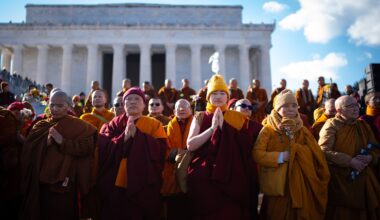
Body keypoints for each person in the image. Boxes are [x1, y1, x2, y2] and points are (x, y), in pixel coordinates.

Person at [186, 74, 262, 219]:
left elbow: (246, 147)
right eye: (214, 93)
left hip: (232, 173)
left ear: (228, 97)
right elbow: (190, 145)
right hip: (205, 173)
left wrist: (226, 128)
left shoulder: (237, 117)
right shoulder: (200, 116)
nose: (219, 97)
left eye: (222, 93)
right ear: (208, 97)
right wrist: (212, 129)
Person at [253, 90, 330, 220]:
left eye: (294, 106)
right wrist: (281, 156)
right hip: (279, 184)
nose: (291, 109)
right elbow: (257, 154)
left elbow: (316, 154)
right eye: (286, 106)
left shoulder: (302, 129)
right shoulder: (268, 129)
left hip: (301, 181)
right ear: (277, 108)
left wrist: (298, 151)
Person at [20, 90, 97, 220]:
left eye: (60, 106)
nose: (55, 109)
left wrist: (63, 142)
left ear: (68, 106)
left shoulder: (79, 126)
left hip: (65, 182)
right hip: (42, 181)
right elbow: (28, 151)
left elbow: (87, 147)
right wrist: (45, 143)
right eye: (52, 105)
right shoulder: (41, 125)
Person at [97, 87, 167, 219]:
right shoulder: (113, 124)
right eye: (129, 99)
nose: (133, 102)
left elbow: (161, 150)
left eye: (137, 99)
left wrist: (138, 136)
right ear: (124, 104)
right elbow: (103, 147)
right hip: (116, 178)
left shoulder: (154, 124)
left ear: (144, 104)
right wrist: (124, 138)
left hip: (143, 179)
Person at [319, 95, 380, 219]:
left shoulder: (362, 125)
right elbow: (324, 151)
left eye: (356, 104)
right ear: (339, 110)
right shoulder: (331, 125)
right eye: (350, 106)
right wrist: (350, 161)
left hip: (365, 175)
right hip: (343, 179)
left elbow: (375, 147)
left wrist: (371, 158)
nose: (356, 108)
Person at [161, 99, 193, 220]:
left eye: (185, 107)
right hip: (172, 170)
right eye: (179, 107)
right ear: (174, 111)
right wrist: (179, 154)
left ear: (191, 110)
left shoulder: (198, 125)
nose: (182, 109)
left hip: (191, 170)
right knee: (173, 209)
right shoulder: (166, 128)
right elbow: (163, 149)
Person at [0, 102, 25, 219]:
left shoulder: (19, 128)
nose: (19, 115)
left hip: (15, 181)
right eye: (16, 113)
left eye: (20, 113)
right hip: (9, 177)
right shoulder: (7, 119)